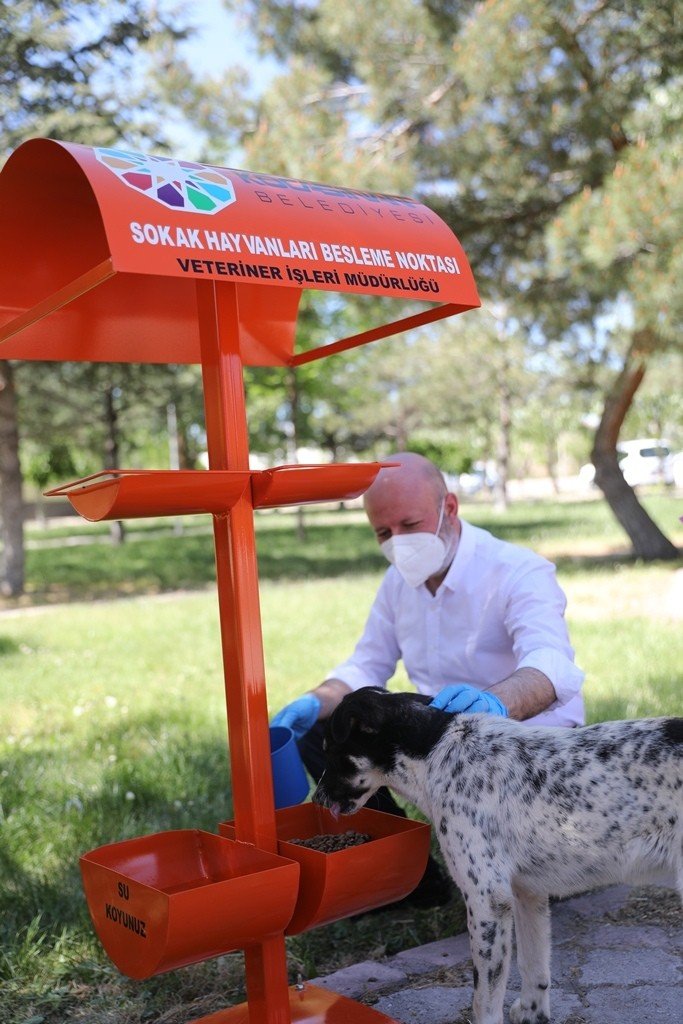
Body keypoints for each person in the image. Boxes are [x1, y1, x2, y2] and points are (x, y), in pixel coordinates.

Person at [272, 452, 585, 907]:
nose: (397, 542)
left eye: (409, 524)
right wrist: (312, 701)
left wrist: (494, 705)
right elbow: (366, 666)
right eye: (383, 532)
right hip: (439, 745)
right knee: (330, 726)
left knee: (522, 892)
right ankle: (408, 884)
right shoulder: (396, 584)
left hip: (521, 749)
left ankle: (529, 858)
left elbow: (551, 663)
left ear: (450, 509)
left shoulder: (518, 571)